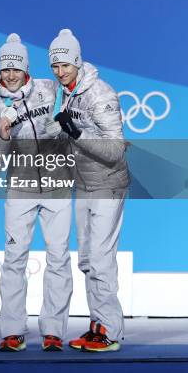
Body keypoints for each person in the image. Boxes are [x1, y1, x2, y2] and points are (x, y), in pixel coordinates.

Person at [0, 34, 73, 353]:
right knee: (13, 258)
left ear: (26, 70)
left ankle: (53, 331)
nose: (10, 75)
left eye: (16, 69)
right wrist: (3, 137)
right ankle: (11, 330)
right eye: (5, 70)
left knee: (59, 258)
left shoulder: (49, 89)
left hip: (57, 185)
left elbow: (77, 93)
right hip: (19, 188)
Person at [49, 28, 129, 352]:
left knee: (101, 258)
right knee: (87, 259)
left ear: (78, 62)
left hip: (108, 184)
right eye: (54, 66)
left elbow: (115, 150)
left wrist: (77, 133)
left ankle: (110, 332)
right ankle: (98, 324)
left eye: (65, 65)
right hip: (83, 184)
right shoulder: (64, 92)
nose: (59, 71)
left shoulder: (100, 94)